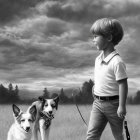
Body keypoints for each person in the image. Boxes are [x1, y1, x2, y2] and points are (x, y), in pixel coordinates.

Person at [86, 18, 128, 140]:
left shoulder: (117, 62)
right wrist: (96, 87)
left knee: (118, 136)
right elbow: (101, 77)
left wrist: (122, 106)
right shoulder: (98, 59)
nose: (93, 40)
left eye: (95, 36)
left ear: (109, 38)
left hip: (114, 105)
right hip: (97, 104)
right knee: (91, 135)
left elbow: (123, 85)